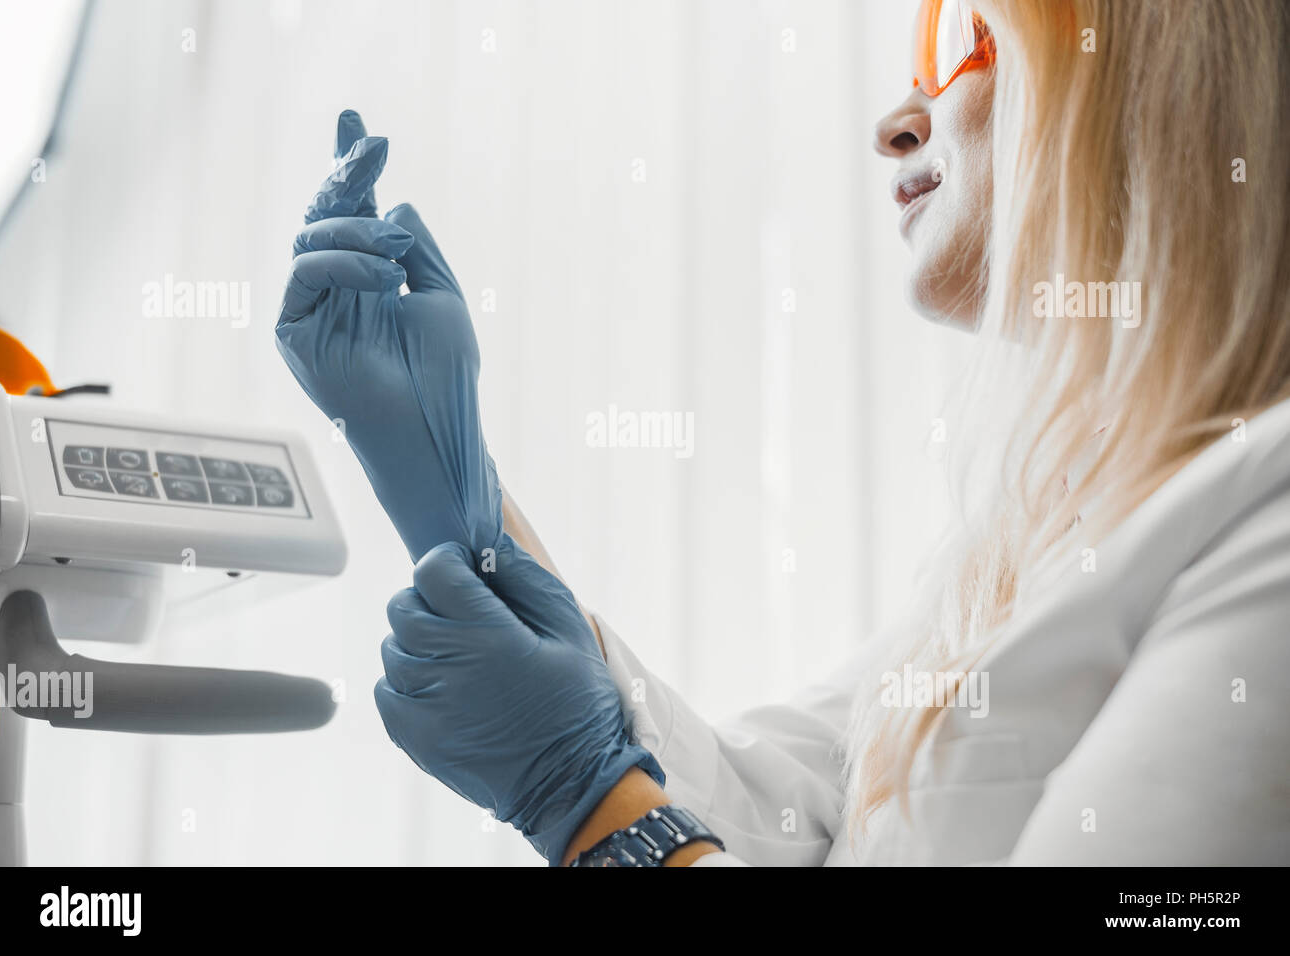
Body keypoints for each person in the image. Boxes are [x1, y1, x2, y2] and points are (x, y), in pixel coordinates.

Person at [277, 0, 1290, 866]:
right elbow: (763, 812)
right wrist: (444, 477)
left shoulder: (1267, 515)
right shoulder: (1026, 541)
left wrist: (588, 807)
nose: (897, 120)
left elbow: (639, 802)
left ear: (1156, 64)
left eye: (955, 36)